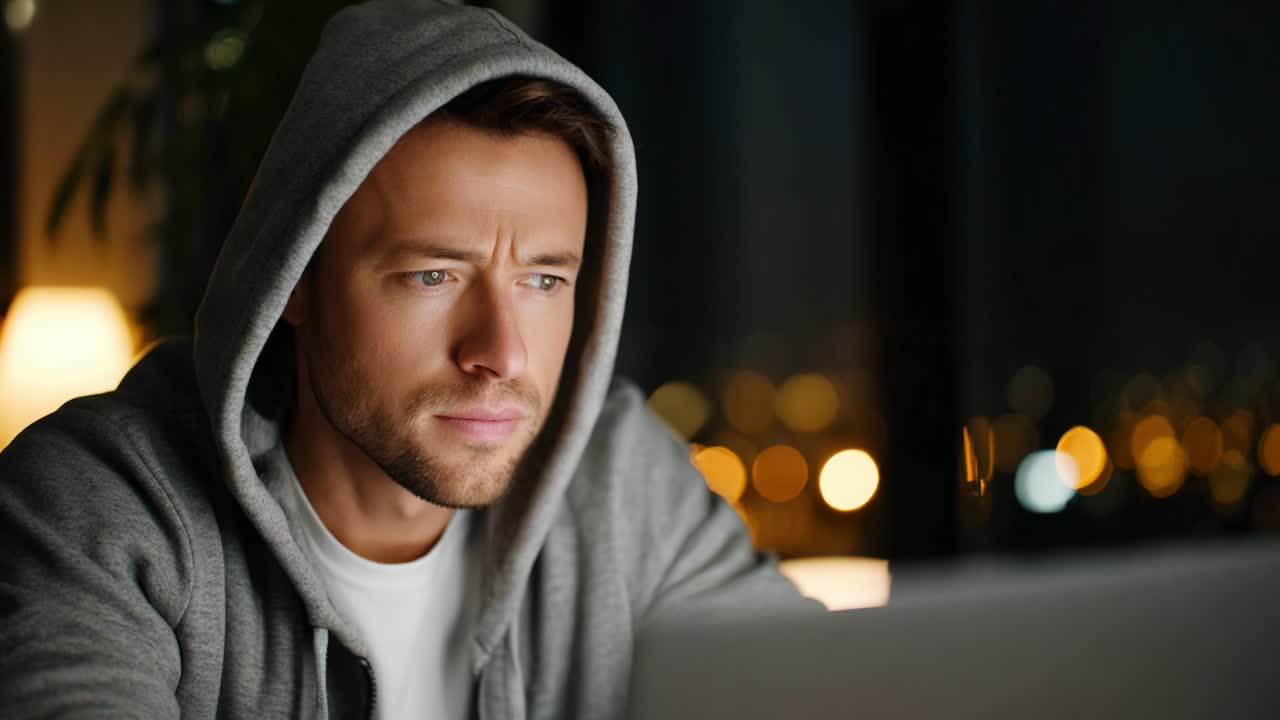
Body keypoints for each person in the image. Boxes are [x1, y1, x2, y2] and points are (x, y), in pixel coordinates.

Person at [0, 1, 812, 717]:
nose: (500, 351)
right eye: (432, 275)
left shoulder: (621, 476)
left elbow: (823, 689)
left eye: (543, 278)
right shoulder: (103, 506)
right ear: (292, 276)